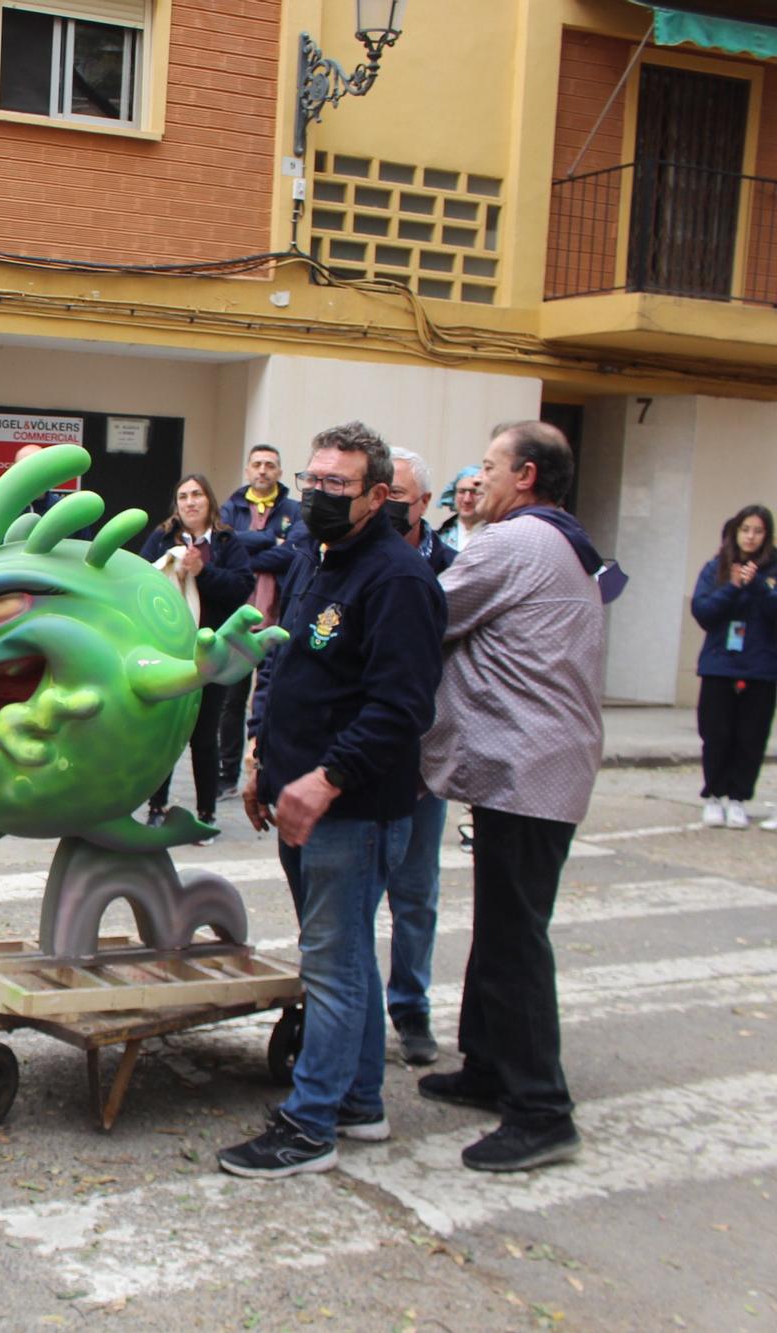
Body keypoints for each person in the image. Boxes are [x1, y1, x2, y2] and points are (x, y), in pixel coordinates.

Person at [221, 422, 445, 1179]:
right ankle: (358, 1101)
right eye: (311, 481)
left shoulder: (398, 579)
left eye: (334, 486)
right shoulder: (320, 559)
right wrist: (261, 760)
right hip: (293, 795)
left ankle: (310, 1122)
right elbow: (286, 663)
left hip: (349, 808)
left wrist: (325, 778)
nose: (314, 495)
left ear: (379, 495)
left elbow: (400, 707)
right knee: (344, 952)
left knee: (332, 962)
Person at [420, 421, 608, 1173]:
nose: (482, 477)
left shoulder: (510, 542)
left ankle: (541, 1107)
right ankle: (491, 1064)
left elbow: (426, 616)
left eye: (491, 465)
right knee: (503, 925)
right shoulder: (565, 541)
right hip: (541, 765)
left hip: (528, 769)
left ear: (526, 475)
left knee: (516, 936)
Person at [379, 446, 457, 1067]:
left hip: (421, 765)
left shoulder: (454, 570)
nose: (387, 503)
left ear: (424, 503)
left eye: (399, 494)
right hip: (356, 761)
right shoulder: (343, 556)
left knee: (415, 894)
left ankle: (411, 1009)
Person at [139, 474, 253, 838]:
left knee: (205, 735)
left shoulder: (226, 541)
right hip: (171, 652)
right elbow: (141, 580)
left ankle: (206, 813)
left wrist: (203, 573)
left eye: (197, 495)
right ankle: (156, 806)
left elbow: (240, 588)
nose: (190, 502)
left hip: (213, 652)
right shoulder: (161, 538)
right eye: (183, 496)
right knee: (166, 732)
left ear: (209, 501)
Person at [216, 445, 303, 796]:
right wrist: (269, 540)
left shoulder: (294, 510)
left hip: (278, 621)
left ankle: (267, 768)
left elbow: (293, 554)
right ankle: (226, 775)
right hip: (238, 621)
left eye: (270, 465)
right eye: (257, 464)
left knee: (272, 699)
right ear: (248, 470)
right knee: (231, 702)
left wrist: (246, 551)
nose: (263, 470)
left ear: (280, 472)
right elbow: (225, 549)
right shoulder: (230, 507)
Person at [690, 505, 777, 829]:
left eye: (757, 530)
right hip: (719, 665)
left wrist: (756, 586)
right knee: (716, 734)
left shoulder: (772, 570)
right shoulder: (716, 568)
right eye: (745, 529)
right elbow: (703, 611)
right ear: (735, 532)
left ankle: (738, 799)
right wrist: (733, 586)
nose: (751, 536)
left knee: (750, 737)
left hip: (760, 667)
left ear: (766, 535)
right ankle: (713, 795)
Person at [436, 465, 483, 551]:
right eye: (461, 492)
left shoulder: (496, 536)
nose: (467, 499)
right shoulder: (439, 539)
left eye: (474, 492)